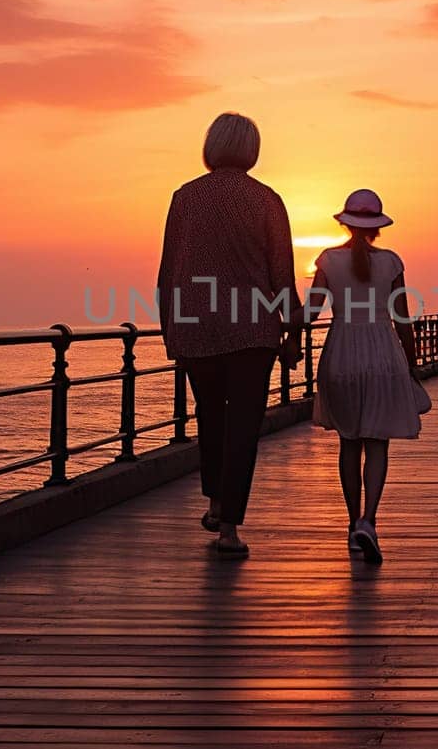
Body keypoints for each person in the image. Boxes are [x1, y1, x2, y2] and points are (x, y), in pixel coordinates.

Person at [157, 112, 302, 558]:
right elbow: (281, 273)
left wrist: (170, 329)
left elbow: (169, 271)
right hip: (253, 332)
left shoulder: (185, 199)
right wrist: (293, 331)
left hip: (197, 329)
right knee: (242, 427)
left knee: (209, 416)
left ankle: (217, 502)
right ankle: (229, 529)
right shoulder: (266, 200)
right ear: (251, 149)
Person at [305, 189, 427, 564]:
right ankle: (369, 521)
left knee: (348, 442)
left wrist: (284, 330)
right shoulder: (391, 263)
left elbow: (310, 314)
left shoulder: (327, 260)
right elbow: (403, 321)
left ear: (344, 222)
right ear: (377, 228)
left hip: (341, 353)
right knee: (377, 444)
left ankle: (350, 524)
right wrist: (411, 362)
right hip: (382, 355)